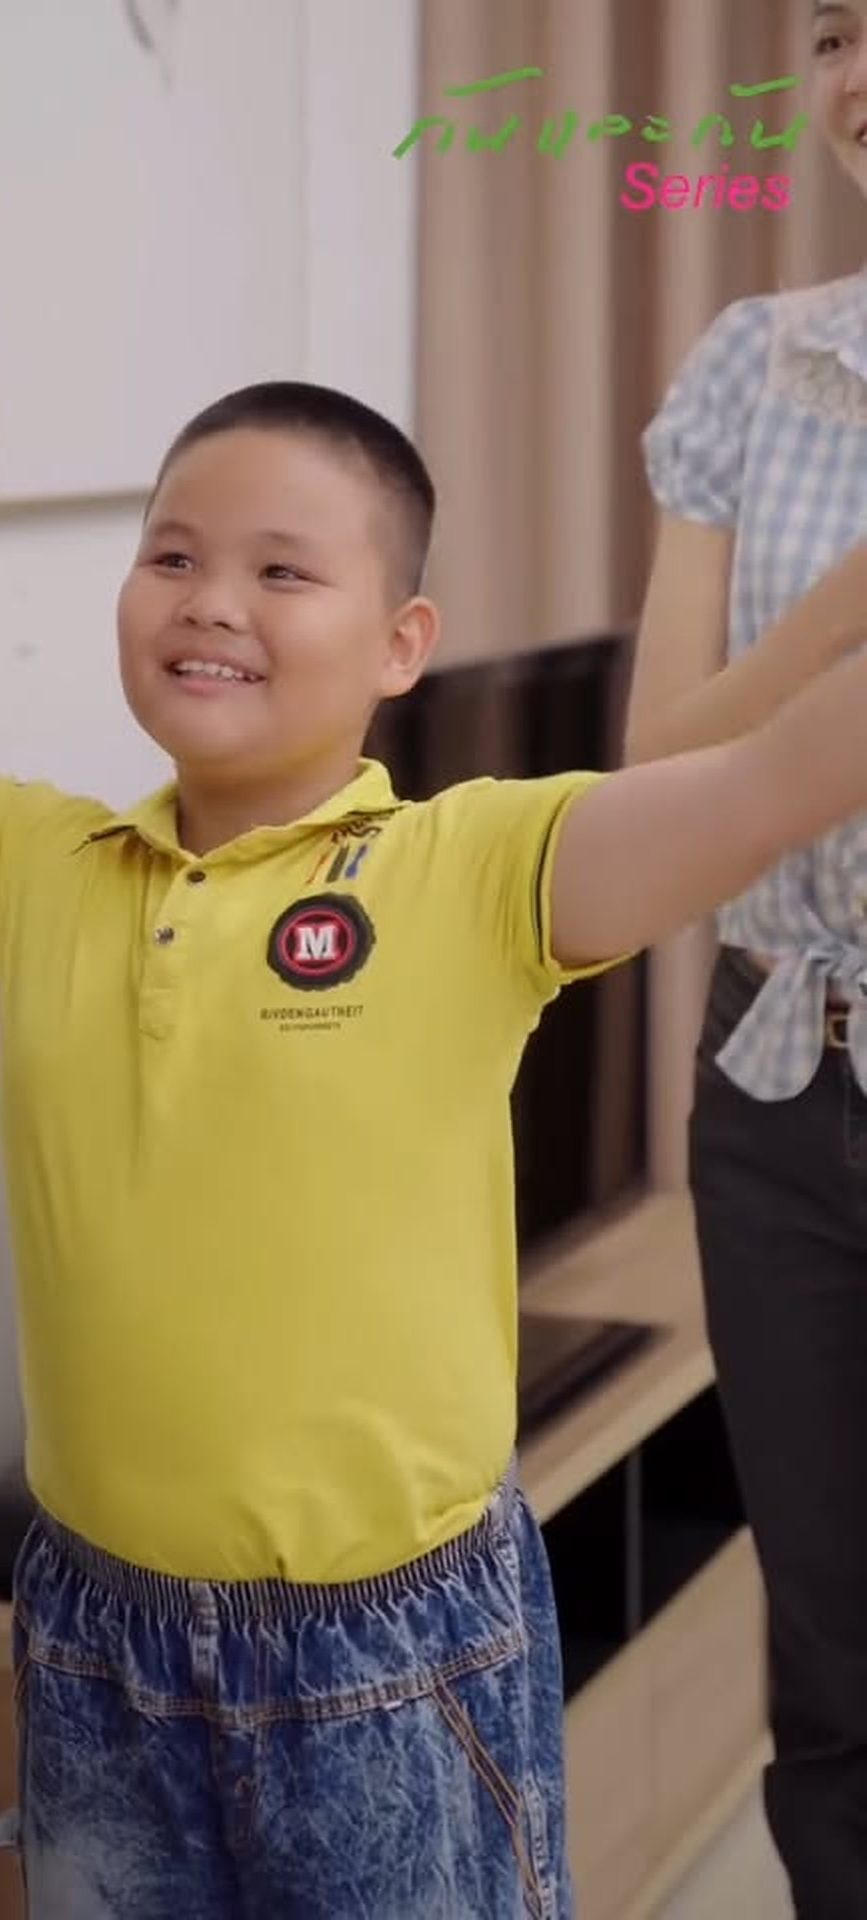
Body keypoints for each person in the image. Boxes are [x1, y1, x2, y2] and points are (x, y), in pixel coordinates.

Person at [0, 276, 867, 1920]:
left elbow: (777, 778)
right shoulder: (32, 862)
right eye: (172, 556)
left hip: (395, 1657)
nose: (212, 600)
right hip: (96, 1642)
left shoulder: (475, 866)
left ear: (401, 645)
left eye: (283, 571)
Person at [624, 7, 867, 1915]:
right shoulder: (756, 366)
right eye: (835, 31)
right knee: (833, 1653)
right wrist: (838, 624)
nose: (855, 72)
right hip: (780, 1074)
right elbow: (656, 760)